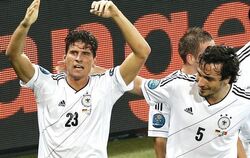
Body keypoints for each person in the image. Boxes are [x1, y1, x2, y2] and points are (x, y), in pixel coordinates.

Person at [5, 0, 151, 157]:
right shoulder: (45, 84)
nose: (79, 58)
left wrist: (115, 14)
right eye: (73, 52)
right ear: (64, 57)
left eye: (86, 54)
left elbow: (142, 51)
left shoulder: (107, 85)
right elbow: (14, 55)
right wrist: (25, 25)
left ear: (94, 61)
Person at [139, 45, 250, 157]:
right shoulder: (179, 86)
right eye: (199, 74)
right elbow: (136, 84)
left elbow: (233, 136)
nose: (200, 83)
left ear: (227, 79)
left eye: (208, 78)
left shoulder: (244, 102)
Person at [145, 27, 215, 158]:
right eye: (209, 52)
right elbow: (160, 139)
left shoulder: (219, 82)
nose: (215, 56)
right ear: (191, 58)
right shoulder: (166, 88)